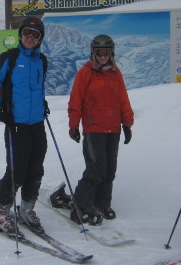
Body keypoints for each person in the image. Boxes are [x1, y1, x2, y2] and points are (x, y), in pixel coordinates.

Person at [51, 34, 134, 226]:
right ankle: (80, 206)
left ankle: (102, 203)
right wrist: (74, 126)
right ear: (93, 53)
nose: (103, 56)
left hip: (113, 129)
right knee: (96, 170)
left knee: (109, 170)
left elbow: (123, 100)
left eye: (106, 52)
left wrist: (127, 124)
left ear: (111, 53)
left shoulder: (116, 73)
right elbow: (76, 101)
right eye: (99, 52)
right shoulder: (85, 73)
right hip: (94, 129)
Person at [0, 16, 49, 234]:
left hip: (37, 124)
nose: (29, 38)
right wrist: (0, 113)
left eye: (35, 35)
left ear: (40, 39)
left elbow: (36, 88)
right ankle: (1, 211)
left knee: (36, 169)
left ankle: (26, 209)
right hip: (16, 125)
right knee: (16, 170)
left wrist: (42, 103)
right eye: (26, 33)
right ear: (20, 35)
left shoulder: (42, 61)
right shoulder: (9, 58)